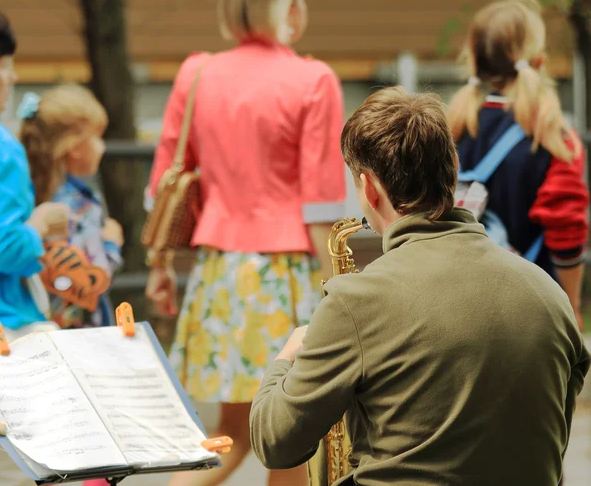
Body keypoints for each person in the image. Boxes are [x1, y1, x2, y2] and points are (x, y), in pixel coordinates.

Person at [250, 87, 589, 486]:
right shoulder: (549, 295)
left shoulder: (355, 301)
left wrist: (285, 361)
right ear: (452, 167)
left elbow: (274, 443)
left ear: (370, 188)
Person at [144, 0, 346, 485]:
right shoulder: (313, 80)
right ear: (289, 8)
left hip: (218, 275)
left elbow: (166, 176)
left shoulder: (198, 71)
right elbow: (321, 204)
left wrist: (159, 265)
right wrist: (342, 288)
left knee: (229, 436)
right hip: (285, 278)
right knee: (293, 439)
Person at [448, 0, 589, 331]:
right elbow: (565, 230)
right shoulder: (552, 137)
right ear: (539, 60)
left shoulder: (450, 127)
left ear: (475, 63)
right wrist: (570, 301)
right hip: (532, 313)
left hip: (457, 305)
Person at [0, 7, 69, 486]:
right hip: (5, 331)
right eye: (6, 66)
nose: (13, 77)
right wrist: (38, 224)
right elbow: (5, 246)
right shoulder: (0, 146)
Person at [19, 84, 124, 330]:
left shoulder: (30, 192)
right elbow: (86, 280)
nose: (103, 147)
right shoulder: (78, 206)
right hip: (81, 332)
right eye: (97, 137)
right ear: (76, 147)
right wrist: (111, 244)